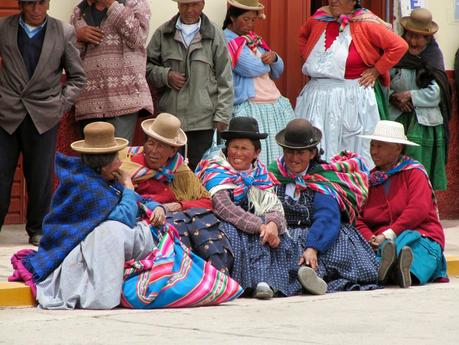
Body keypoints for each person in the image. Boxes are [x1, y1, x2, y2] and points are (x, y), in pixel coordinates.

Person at [9, 122, 242, 309]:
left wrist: (157, 207)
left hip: (100, 239)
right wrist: (130, 188)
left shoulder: (105, 179)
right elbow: (121, 218)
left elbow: (151, 202)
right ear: (103, 163)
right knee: (114, 231)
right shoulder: (87, 186)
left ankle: (212, 277)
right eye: (116, 158)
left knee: (196, 221)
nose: (122, 162)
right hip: (73, 246)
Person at [0, 0, 86, 246]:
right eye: (30, 4)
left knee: (40, 177)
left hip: (43, 115)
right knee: (1, 173)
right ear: (20, 5)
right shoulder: (3, 27)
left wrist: (59, 106)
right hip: (7, 112)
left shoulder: (64, 31)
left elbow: (77, 77)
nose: (37, 10)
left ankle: (37, 229)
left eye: (42, 3)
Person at [268, 119, 379, 294]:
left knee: (334, 255)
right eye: (289, 152)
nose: (294, 158)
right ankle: (306, 279)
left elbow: (327, 216)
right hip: (287, 233)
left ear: (312, 154)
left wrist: (313, 247)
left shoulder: (322, 178)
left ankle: (314, 278)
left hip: (322, 234)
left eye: (300, 153)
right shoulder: (274, 174)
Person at [295, 0, 408, 165]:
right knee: (314, 147)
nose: (332, 0)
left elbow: (398, 46)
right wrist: (309, 58)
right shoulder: (319, 19)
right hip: (316, 95)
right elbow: (303, 36)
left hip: (351, 96)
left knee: (350, 148)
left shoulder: (366, 23)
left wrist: (377, 70)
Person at [121, 113, 234, 275]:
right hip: (146, 221)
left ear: (172, 150)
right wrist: (156, 208)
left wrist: (177, 206)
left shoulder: (179, 169)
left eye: (160, 146)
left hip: (174, 217)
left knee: (203, 220)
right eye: (150, 143)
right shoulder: (129, 165)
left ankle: (217, 276)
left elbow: (206, 202)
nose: (153, 151)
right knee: (179, 224)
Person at [196, 117, 296, 299]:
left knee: (280, 237)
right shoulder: (215, 169)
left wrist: (273, 224)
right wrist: (260, 225)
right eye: (234, 147)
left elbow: (274, 206)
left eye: (244, 149)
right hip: (223, 221)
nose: (238, 153)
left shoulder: (260, 174)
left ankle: (274, 283)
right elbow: (224, 208)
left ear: (256, 152)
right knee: (239, 235)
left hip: (256, 223)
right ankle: (253, 283)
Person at [357, 120, 448, 288]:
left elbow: (418, 210)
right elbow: (358, 217)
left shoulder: (414, 173)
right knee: (378, 251)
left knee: (415, 250)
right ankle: (390, 267)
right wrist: (369, 237)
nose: (373, 152)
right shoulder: (368, 181)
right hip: (381, 241)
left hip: (421, 234)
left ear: (398, 148)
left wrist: (389, 234)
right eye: (372, 145)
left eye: (380, 146)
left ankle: (400, 270)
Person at [146, 0, 233, 170]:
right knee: (167, 172)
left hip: (203, 121)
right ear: (178, 5)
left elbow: (225, 78)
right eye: (184, 4)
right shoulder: (163, 33)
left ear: (203, 4)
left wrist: (222, 116)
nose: (189, 10)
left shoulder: (215, 34)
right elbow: (146, 67)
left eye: (194, 4)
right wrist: (166, 75)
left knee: (200, 173)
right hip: (169, 120)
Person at [222, 0, 295, 165]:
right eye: (245, 19)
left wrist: (274, 58)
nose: (250, 24)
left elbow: (278, 70)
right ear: (232, 18)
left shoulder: (252, 40)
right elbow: (249, 68)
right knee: (255, 155)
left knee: (277, 152)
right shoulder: (227, 41)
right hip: (251, 105)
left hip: (272, 102)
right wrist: (269, 61)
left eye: (253, 20)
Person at [71, 0, 153, 142]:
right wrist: (77, 37)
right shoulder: (79, 11)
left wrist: (111, 4)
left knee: (117, 159)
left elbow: (138, 38)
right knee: (92, 161)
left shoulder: (135, 3)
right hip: (90, 102)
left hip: (124, 100)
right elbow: (71, 58)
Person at [388, 8, 451, 191]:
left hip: (424, 125)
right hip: (397, 121)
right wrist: (393, 97)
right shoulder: (396, 54)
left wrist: (409, 95)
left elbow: (436, 94)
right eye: (410, 35)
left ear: (428, 39)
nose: (413, 41)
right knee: (394, 173)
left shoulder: (434, 57)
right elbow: (384, 83)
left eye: (419, 37)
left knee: (418, 175)